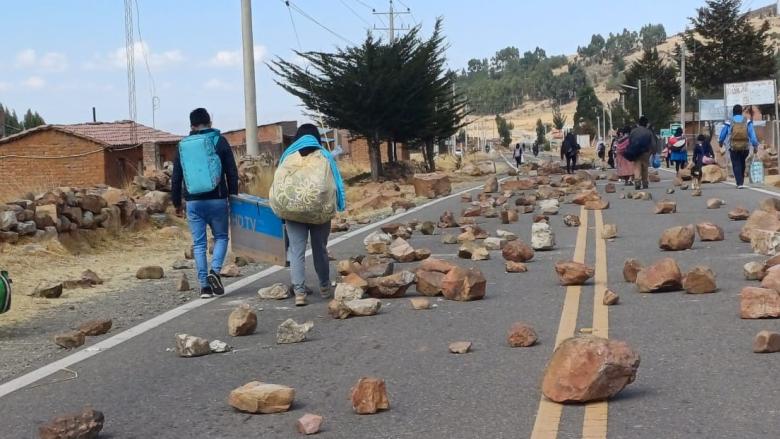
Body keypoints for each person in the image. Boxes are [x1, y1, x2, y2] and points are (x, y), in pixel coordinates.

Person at [172, 108, 239, 299]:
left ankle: (204, 288)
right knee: (221, 237)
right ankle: (215, 271)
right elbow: (231, 172)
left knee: (199, 244)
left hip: (193, 202)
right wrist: (233, 197)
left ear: (191, 125)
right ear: (210, 122)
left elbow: (176, 177)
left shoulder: (182, 145)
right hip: (217, 200)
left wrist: (177, 202)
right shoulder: (219, 140)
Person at [282, 124, 346, 306]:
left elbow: (279, 184)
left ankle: (300, 292)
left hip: (293, 211)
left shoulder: (288, 156)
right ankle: (325, 286)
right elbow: (336, 183)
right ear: (316, 137)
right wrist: (339, 204)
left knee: (296, 251)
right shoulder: (324, 155)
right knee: (320, 248)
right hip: (319, 210)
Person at [719, 104, 759, 189]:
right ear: (741, 112)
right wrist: (755, 146)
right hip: (745, 147)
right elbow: (753, 136)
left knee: (736, 163)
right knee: (742, 162)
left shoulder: (729, 122)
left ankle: (739, 182)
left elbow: (722, 135)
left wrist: (721, 143)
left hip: (733, 147)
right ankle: (741, 180)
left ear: (733, 112)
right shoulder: (747, 121)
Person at [628, 116, 654, 190]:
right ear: (646, 124)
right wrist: (653, 152)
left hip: (636, 151)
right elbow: (652, 143)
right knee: (645, 167)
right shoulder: (648, 131)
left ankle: (637, 182)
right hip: (645, 152)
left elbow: (629, 141)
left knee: (637, 167)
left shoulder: (633, 131)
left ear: (638, 123)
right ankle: (645, 182)